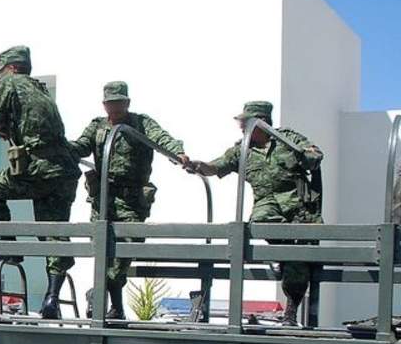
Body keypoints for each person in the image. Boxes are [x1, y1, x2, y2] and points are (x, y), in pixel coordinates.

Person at [187, 101, 324, 326]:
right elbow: (216, 166)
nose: (242, 127)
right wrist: (197, 166)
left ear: (261, 122)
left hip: (298, 208)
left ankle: (290, 312)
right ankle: (280, 255)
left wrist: (305, 155)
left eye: (246, 122)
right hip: (268, 206)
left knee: (297, 263)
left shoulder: (287, 139)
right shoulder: (243, 150)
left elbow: (315, 156)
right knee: (261, 222)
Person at [70, 81, 192, 319]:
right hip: (103, 199)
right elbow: (81, 146)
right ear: (104, 105)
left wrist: (177, 153)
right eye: (111, 103)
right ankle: (115, 307)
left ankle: (98, 293)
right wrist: (58, 146)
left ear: (128, 102)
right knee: (103, 254)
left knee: (124, 251)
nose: (115, 107)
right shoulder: (97, 126)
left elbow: (161, 138)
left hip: (131, 200)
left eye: (120, 102)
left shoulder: (141, 123)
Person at [0, 45, 82, 319]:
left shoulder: (11, 83)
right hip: (63, 172)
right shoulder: (40, 89)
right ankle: (52, 298)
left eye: (2, 71)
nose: (1, 77)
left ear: (12, 68)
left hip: (39, 170)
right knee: (53, 233)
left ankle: (9, 247)